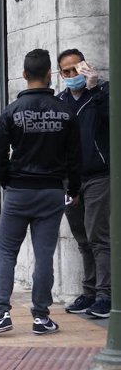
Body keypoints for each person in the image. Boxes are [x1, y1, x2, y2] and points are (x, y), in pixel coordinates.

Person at [0, 49, 81, 336]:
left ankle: (0, 313)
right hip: (50, 191)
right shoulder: (66, 113)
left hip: (19, 190)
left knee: (7, 251)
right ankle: (41, 317)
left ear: (24, 75)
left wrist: (7, 180)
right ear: (49, 74)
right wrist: (73, 188)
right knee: (44, 254)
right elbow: (75, 157)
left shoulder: (11, 112)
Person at [57, 49, 111, 319]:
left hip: (99, 176)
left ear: (85, 66)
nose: (71, 75)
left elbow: (111, 121)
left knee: (98, 237)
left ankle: (105, 295)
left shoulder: (102, 93)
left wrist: (95, 90)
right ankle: (89, 292)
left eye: (75, 69)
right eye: (65, 72)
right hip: (71, 180)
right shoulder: (60, 102)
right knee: (82, 239)